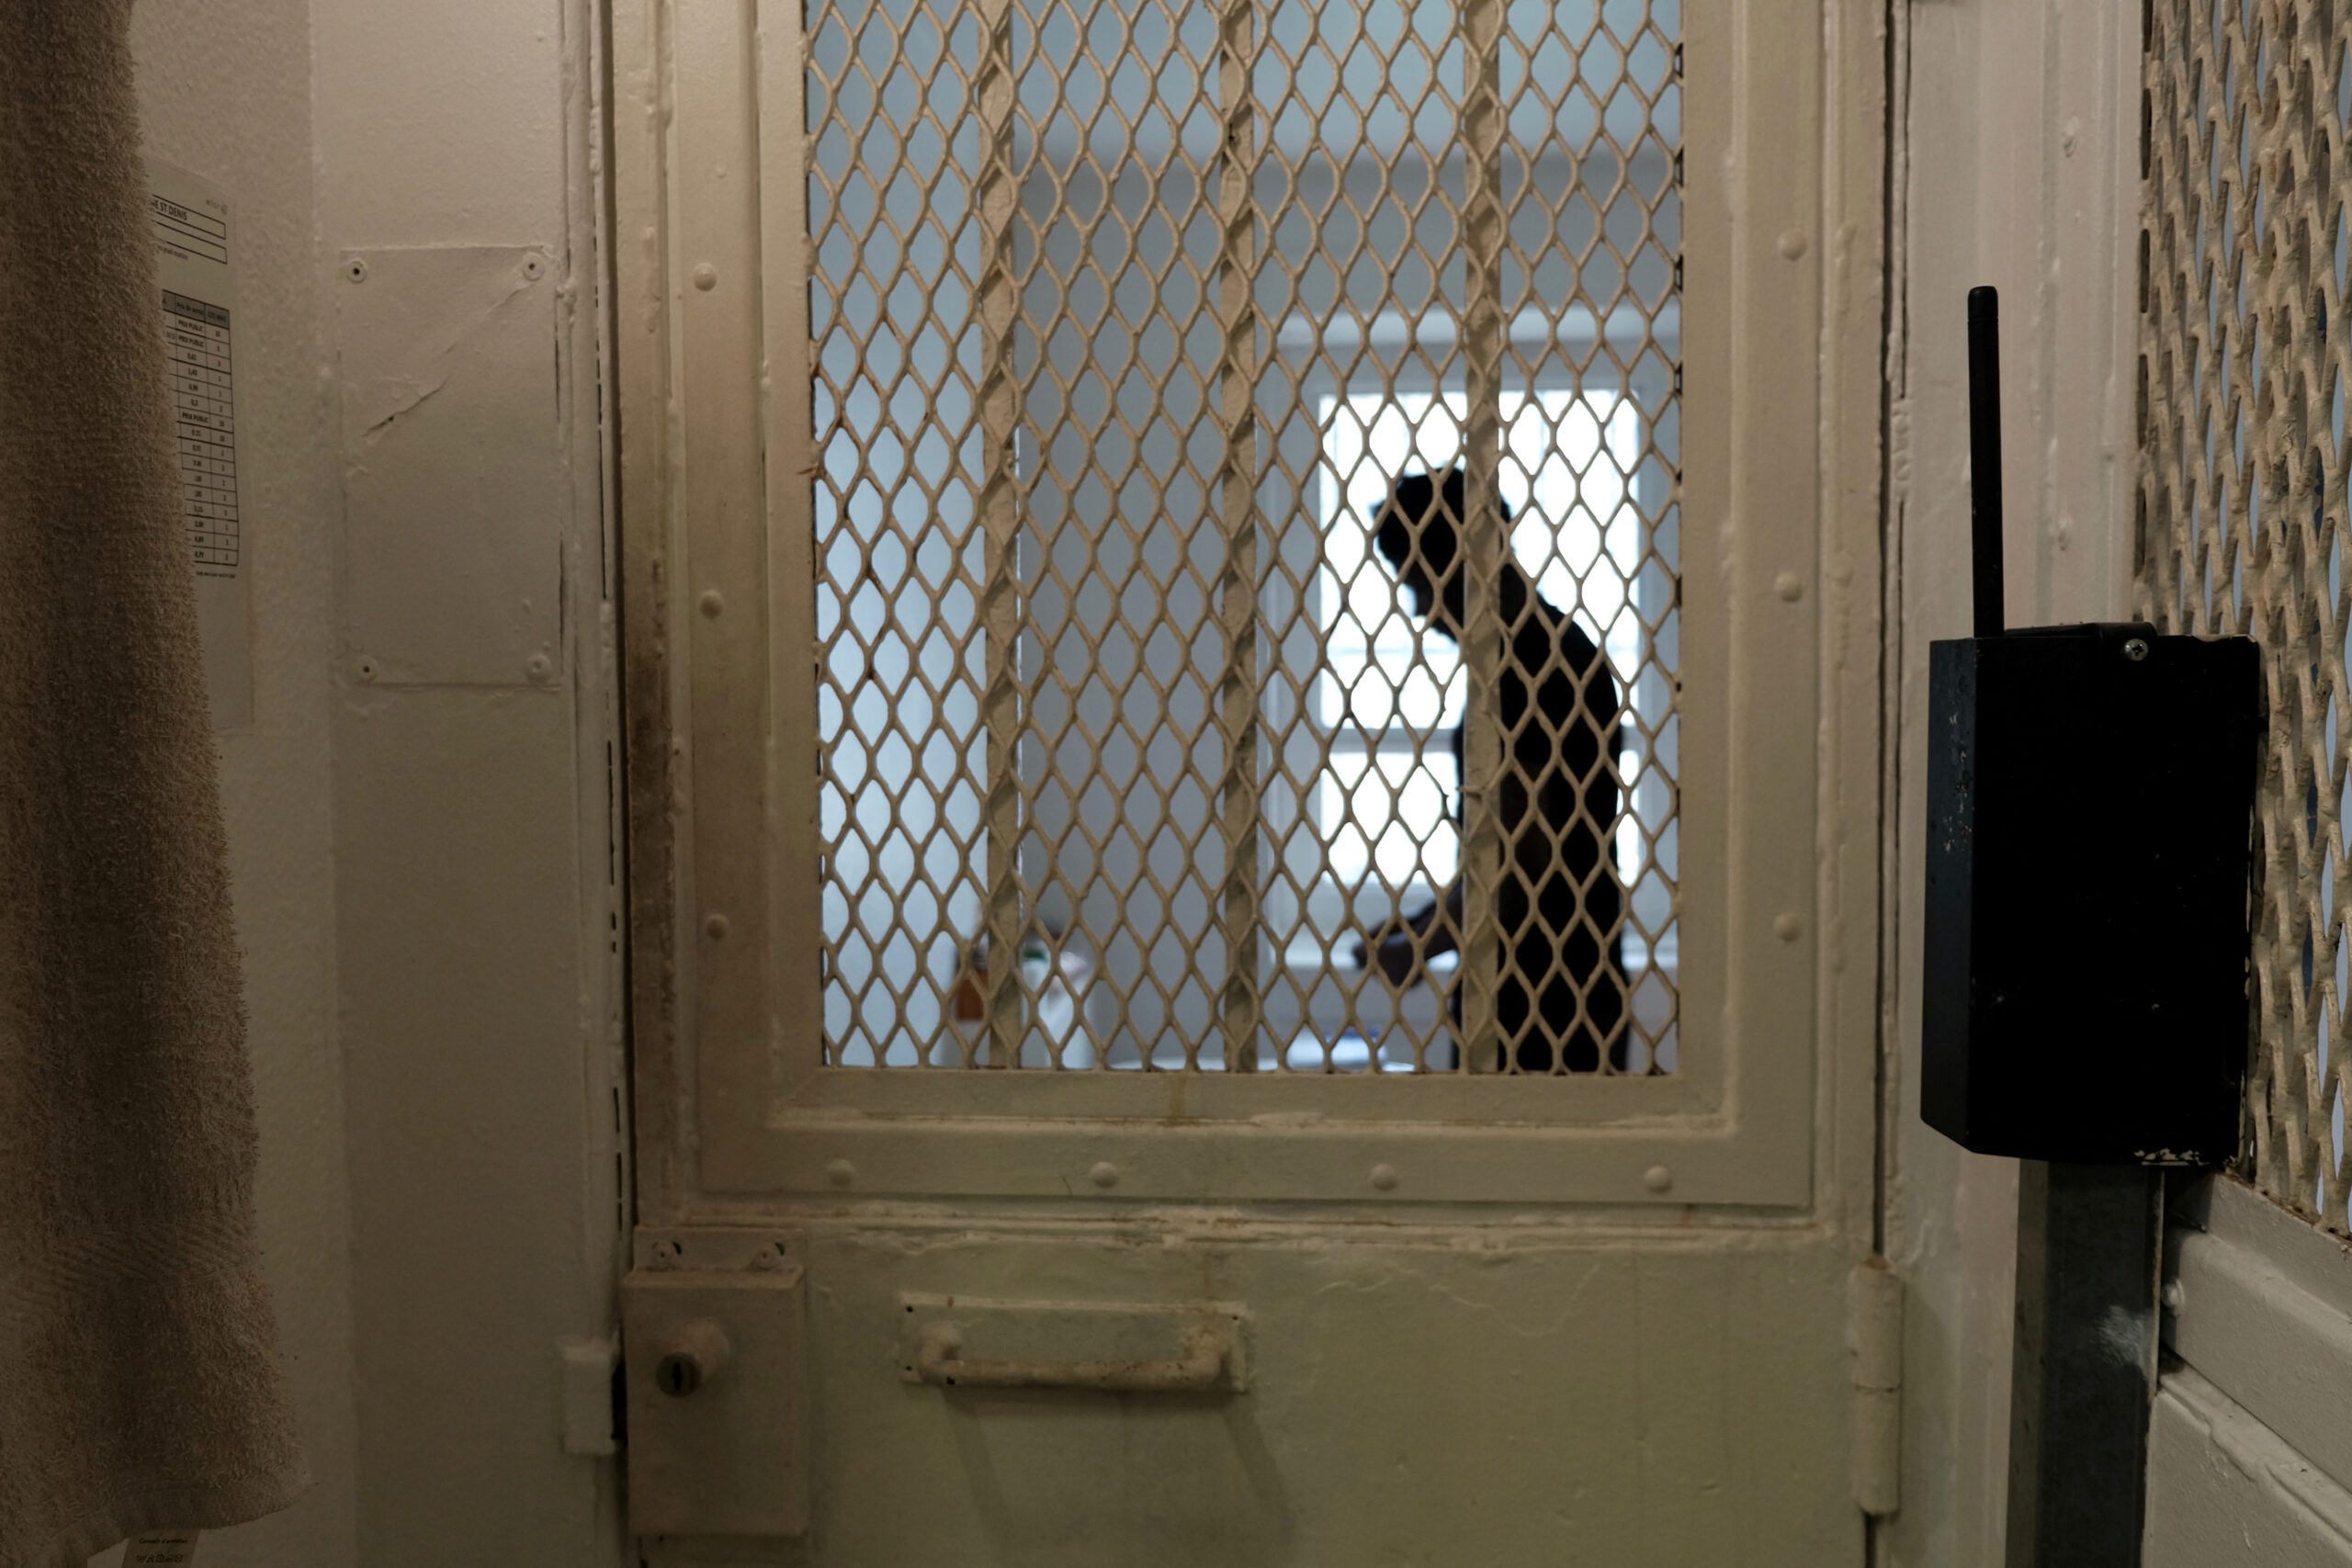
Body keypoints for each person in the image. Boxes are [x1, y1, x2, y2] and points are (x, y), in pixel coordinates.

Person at [1350, 468, 1628, 1072]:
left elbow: (1516, 858)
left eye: (1419, 583)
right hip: (1558, 986)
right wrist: (1425, 922)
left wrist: (1420, 948)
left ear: (1459, 564)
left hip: (1544, 1003)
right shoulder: (1547, 650)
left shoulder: (1529, 667)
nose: (1422, 611)